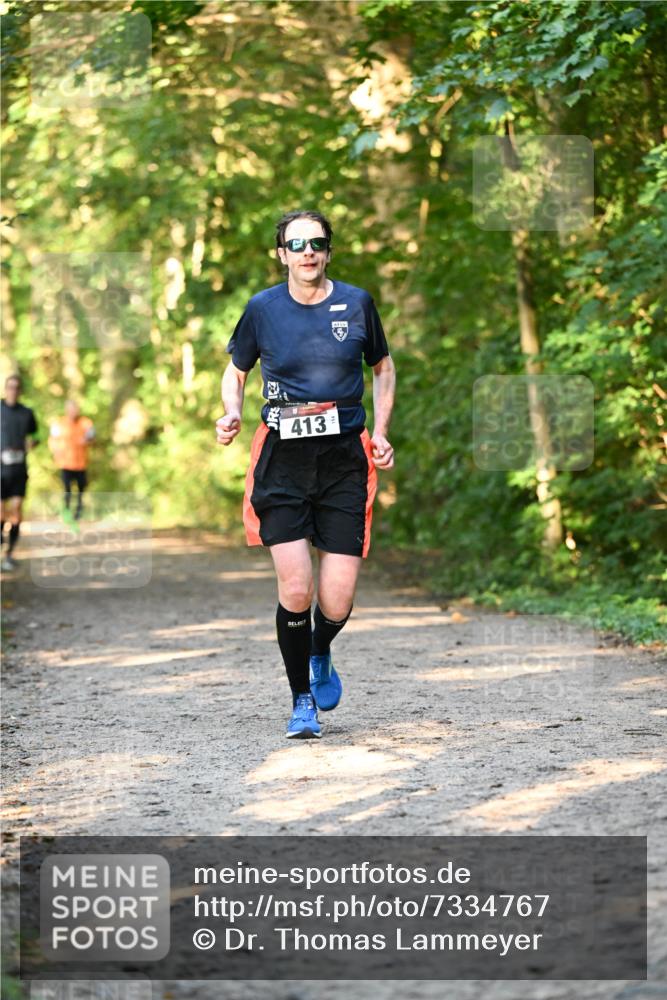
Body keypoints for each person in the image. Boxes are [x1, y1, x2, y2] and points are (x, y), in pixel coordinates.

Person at [216, 209, 396, 740]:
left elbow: (382, 368)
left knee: (336, 600)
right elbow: (236, 370)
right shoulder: (262, 308)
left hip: (344, 459)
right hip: (283, 460)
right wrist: (231, 410)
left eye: (317, 242)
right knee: (296, 588)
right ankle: (301, 701)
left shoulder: (358, 303)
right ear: (282, 254)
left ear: (328, 250)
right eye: (296, 244)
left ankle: (320, 649)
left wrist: (381, 433)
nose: (307, 252)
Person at [1, 374, 38, 572]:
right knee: (0, 512)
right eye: (10, 387)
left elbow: (36, 434)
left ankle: (9, 554)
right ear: (5, 389)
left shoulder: (27, 413)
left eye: (16, 387)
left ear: (20, 391)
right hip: (0, 468)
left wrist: (33, 442)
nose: (13, 391)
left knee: (16, 510)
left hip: (19, 469)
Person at [48, 400, 95, 522]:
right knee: (67, 489)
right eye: (70, 409)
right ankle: (67, 512)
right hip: (65, 464)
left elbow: (92, 436)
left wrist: (87, 440)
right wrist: (55, 452)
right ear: (66, 410)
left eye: (75, 409)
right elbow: (52, 440)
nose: (73, 412)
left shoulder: (85, 423)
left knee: (81, 490)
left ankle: (78, 513)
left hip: (81, 464)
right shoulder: (60, 423)